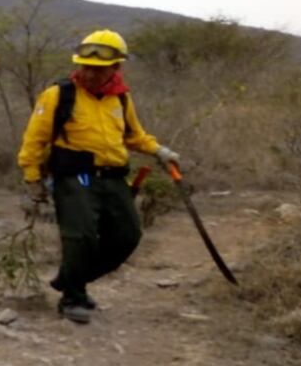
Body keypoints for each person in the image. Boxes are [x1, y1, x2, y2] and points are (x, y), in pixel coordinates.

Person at [17, 30, 181, 324]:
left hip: (114, 177)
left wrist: (159, 151)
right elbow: (34, 139)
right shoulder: (59, 95)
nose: (90, 73)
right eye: (85, 66)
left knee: (127, 236)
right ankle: (73, 297)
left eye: (98, 68)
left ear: (116, 68)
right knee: (80, 236)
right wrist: (32, 178)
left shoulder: (121, 98)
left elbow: (134, 136)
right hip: (76, 176)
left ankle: (69, 280)